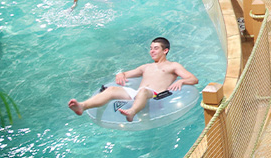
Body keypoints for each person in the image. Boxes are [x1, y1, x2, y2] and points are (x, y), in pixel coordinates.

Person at [67, 37, 198, 122]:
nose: (152, 51)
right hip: (138, 93)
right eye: (151, 48)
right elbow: (125, 74)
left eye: (156, 48)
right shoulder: (146, 67)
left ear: (165, 50)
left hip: (155, 96)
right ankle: (82, 106)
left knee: (144, 91)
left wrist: (181, 81)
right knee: (112, 89)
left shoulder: (173, 65)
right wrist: (121, 74)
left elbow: (193, 79)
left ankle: (132, 112)